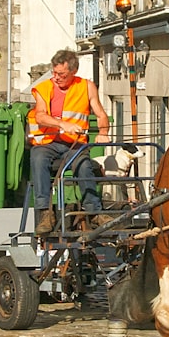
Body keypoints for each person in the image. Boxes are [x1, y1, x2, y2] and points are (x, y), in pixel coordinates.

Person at [27, 49, 110, 236]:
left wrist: (103, 132)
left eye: (61, 74)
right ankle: (45, 214)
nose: (56, 77)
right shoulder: (43, 88)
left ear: (73, 72)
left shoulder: (87, 87)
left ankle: (94, 211)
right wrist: (63, 124)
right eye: (54, 73)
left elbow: (101, 114)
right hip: (48, 143)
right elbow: (40, 116)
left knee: (83, 164)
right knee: (38, 159)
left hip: (74, 145)